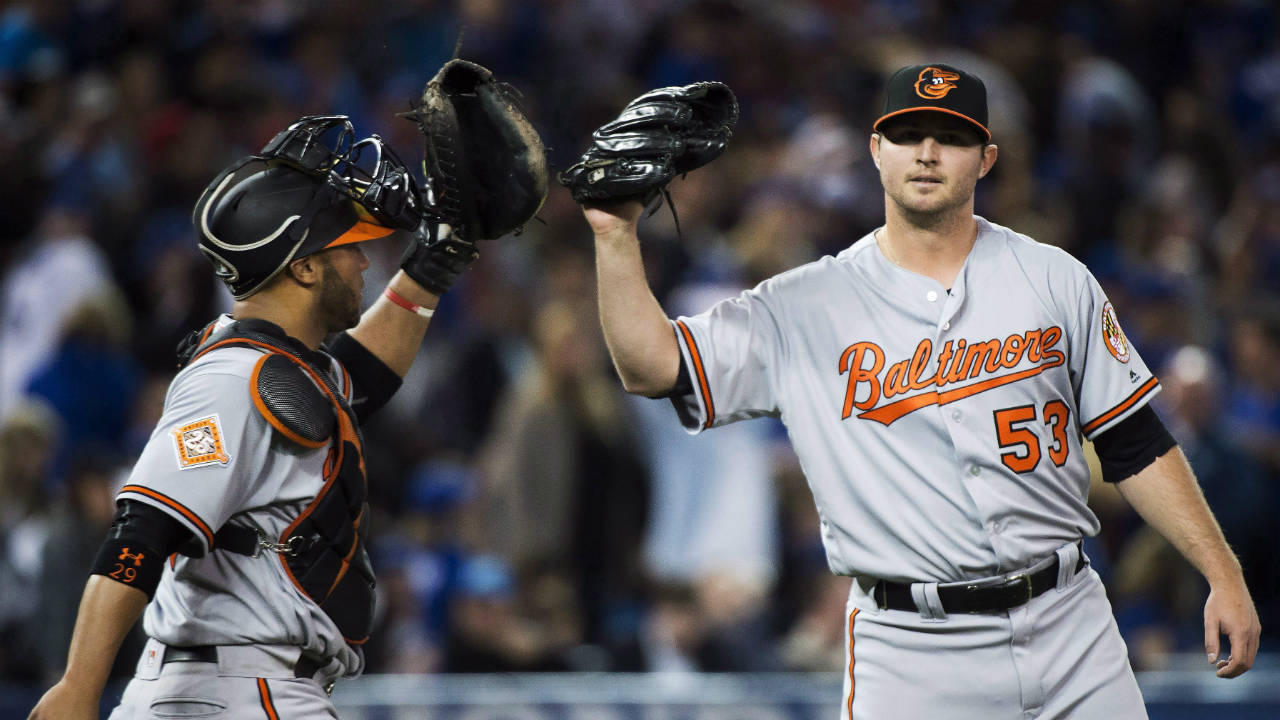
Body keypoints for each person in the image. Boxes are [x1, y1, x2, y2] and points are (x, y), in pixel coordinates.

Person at [574, 63, 1260, 719]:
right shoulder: (807, 305)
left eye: (953, 137)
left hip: (1070, 621)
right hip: (913, 649)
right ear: (877, 151)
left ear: (985, 158)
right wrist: (615, 235)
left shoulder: (1055, 280)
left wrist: (1220, 570)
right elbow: (653, 367)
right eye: (907, 135)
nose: (928, 152)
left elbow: (1134, 442)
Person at [28, 115, 480, 719]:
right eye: (350, 248)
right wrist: (78, 688)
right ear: (304, 266)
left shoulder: (282, 369)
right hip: (234, 689)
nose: (365, 265)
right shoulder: (231, 380)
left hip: (236, 686)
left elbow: (362, 381)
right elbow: (140, 535)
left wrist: (432, 268)